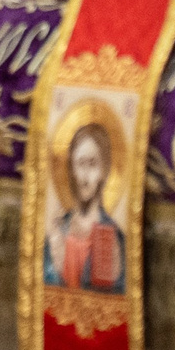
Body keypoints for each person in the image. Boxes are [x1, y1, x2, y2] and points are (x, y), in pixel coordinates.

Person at [43, 120, 126, 293]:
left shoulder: (112, 235)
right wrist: (55, 265)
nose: (85, 177)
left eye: (92, 164)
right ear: (71, 169)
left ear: (104, 170)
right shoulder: (58, 231)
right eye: (80, 164)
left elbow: (112, 297)